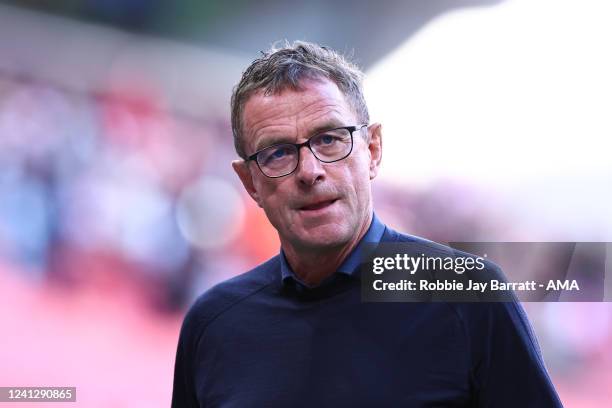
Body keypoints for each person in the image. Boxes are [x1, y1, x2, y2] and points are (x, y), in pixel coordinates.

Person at [171, 41, 562, 407]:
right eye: (278, 153)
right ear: (250, 182)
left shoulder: (466, 298)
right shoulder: (214, 326)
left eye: (329, 140)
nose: (309, 172)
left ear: (372, 150)